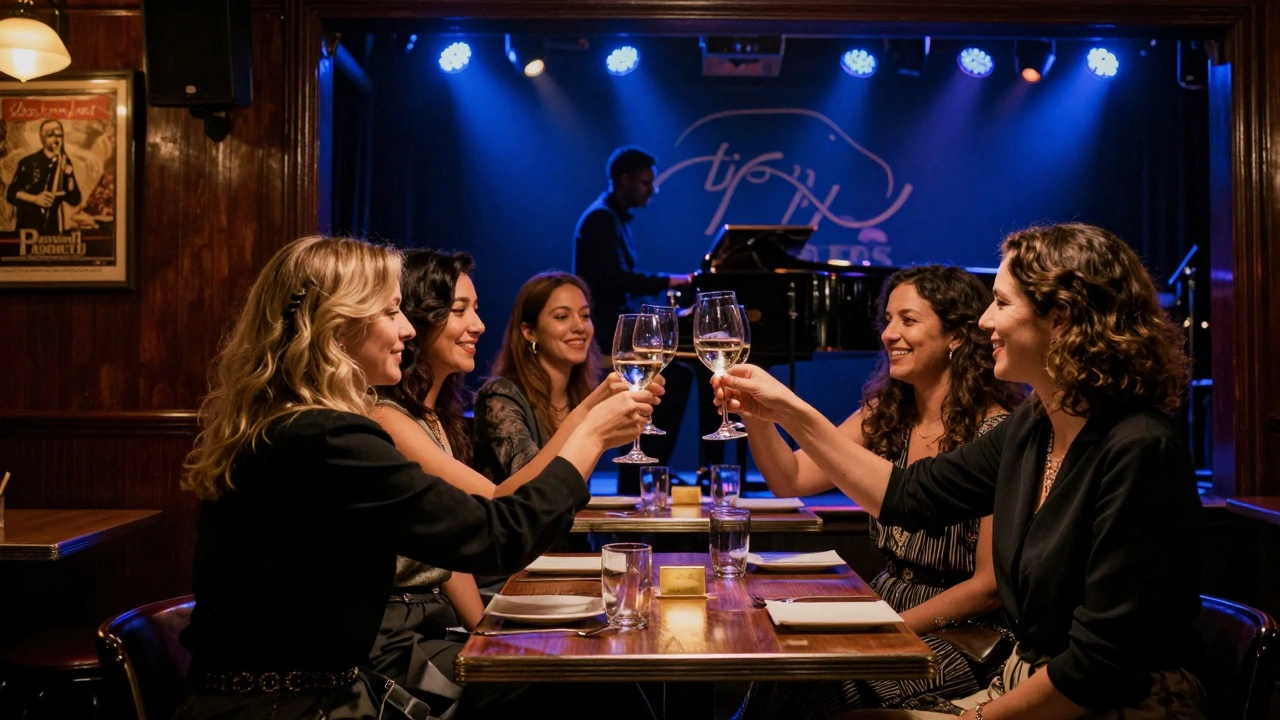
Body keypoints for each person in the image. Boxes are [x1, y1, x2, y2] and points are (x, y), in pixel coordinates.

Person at [718, 223, 1205, 719]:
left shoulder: (1138, 449)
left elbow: (1099, 666)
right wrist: (787, 411)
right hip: (1032, 683)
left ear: (1059, 319)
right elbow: (909, 496)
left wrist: (972, 718)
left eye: (1002, 302)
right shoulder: (1031, 428)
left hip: (1112, 705)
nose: (986, 320)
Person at [174, 236, 654, 720]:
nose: (408, 329)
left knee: (595, 680)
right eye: (390, 312)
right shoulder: (324, 439)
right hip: (284, 708)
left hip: (311, 695)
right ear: (335, 326)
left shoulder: (293, 427)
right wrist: (590, 440)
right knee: (594, 685)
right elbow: (494, 534)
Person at [738, 266, 1026, 718]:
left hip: (963, 632)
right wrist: (755, 414)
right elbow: (790, 480)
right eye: (888, 321)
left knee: (823, 690)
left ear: (955, 335)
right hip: (885, 605)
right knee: (780, 668)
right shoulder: (887, 414)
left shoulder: (995, 432)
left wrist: (885, 628)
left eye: (908, 321)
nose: (890, 334)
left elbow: (988, 587)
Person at [368, 253, 647, 714]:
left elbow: (452, 547)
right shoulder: (389, 419)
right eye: (459, 311)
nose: (477, 324)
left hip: (439, 623)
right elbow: (498, 502)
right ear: (418, 320)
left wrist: (486, 630)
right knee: (595, 675)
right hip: (403, 642)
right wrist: (592, 429)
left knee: (610, 665)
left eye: (475, 309)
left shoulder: (436, 419)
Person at [572, 146, 695, 488]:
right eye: (645, 183)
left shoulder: (610, 217)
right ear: (623, 180)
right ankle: (642, 475)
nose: (652, 190)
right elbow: (615, 279)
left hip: (613, 329)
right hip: (604, 335)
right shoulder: (601, 219)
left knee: (679, 370)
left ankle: (646, 472)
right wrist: (675, 280)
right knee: (678, 376)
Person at [472, 271, 603, 483]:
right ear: (529, 332)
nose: (579, 327)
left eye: (585, 315)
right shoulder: (500, 397)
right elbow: (534, 485)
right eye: (562, 316)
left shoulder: (581, 394)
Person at [6, 119, 81, 235]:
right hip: (27, 229)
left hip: (52, 231)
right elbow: (11, 193)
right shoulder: (28, 162)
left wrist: (69, 175)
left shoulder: (65, 163)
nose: (56, 138)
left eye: (59, 134)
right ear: (42, 138)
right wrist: (35, 199)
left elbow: (75, 200)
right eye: (50, 134)